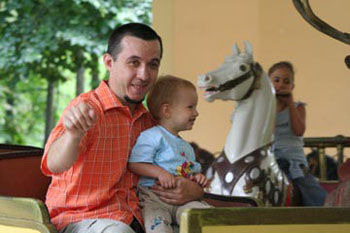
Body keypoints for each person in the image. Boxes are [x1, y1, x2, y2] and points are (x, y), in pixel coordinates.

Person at [40, 23, 204, 233]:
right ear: (109, 62)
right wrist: (72, 135)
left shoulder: (150, 120)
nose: (144, 75)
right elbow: (53, 165)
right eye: (134, 63)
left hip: (136, 217)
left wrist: (194, 190)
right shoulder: (88, 108)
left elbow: (175, 168)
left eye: (152, 65)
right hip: (79, 219)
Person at [128, 75, 210, 233]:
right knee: (159, 229)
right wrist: (160, 173)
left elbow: (188, 172)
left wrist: (197, 179)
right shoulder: (152, 135)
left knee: (203, 217)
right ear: (167, 110)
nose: (196, 113)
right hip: (154, 198)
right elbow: (135, 163)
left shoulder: (186, 147)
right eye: (190, 107)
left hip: (183, 200)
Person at [268, 61, 326, 206]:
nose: (281, 84)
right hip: (270, 158)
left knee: (313, 193)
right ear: (268, 83)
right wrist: (272, 105)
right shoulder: (264, 108)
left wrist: (290, 104)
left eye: (286, 82)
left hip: (292, 160)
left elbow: (299, 130)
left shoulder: (299, 107)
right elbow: (267, 130)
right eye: (276, 80)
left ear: (292, 87)